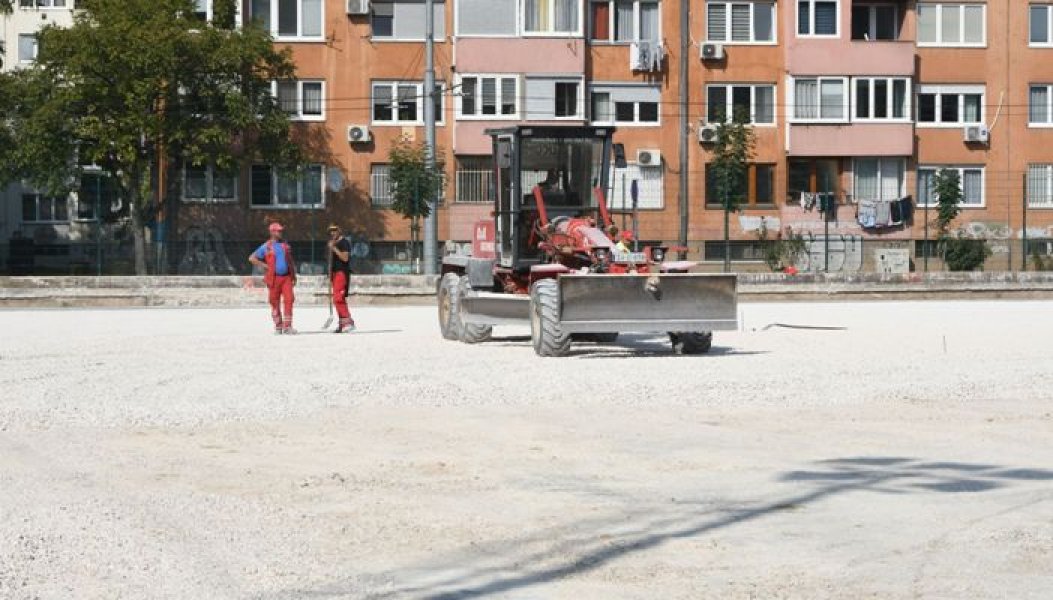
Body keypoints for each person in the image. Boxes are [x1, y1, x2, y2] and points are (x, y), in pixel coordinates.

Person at [249, 221, 297, 335]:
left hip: (286, 278)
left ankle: (288, 326)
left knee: (289, 300)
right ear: (272, 232)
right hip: (273, 278)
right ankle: (278, 325)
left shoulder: (285, 245)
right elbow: (252, 258)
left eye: (281, 230)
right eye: (279, 231)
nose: (281, 232)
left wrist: (294, 275)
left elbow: (290, 261)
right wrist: (266, 266)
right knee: (274, 302)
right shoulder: (266, 247)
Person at [327, 224, 356, 333]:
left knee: (338, 298)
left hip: (342, 273)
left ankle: (348, 321)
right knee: (337, 299)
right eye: (331, 231)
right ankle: (342, 323)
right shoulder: (332, 243)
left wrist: (334, 249)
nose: (332, 233)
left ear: (339, 231)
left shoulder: (344, 243)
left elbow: (345, 258)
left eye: (335, 230)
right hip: (334, 274)